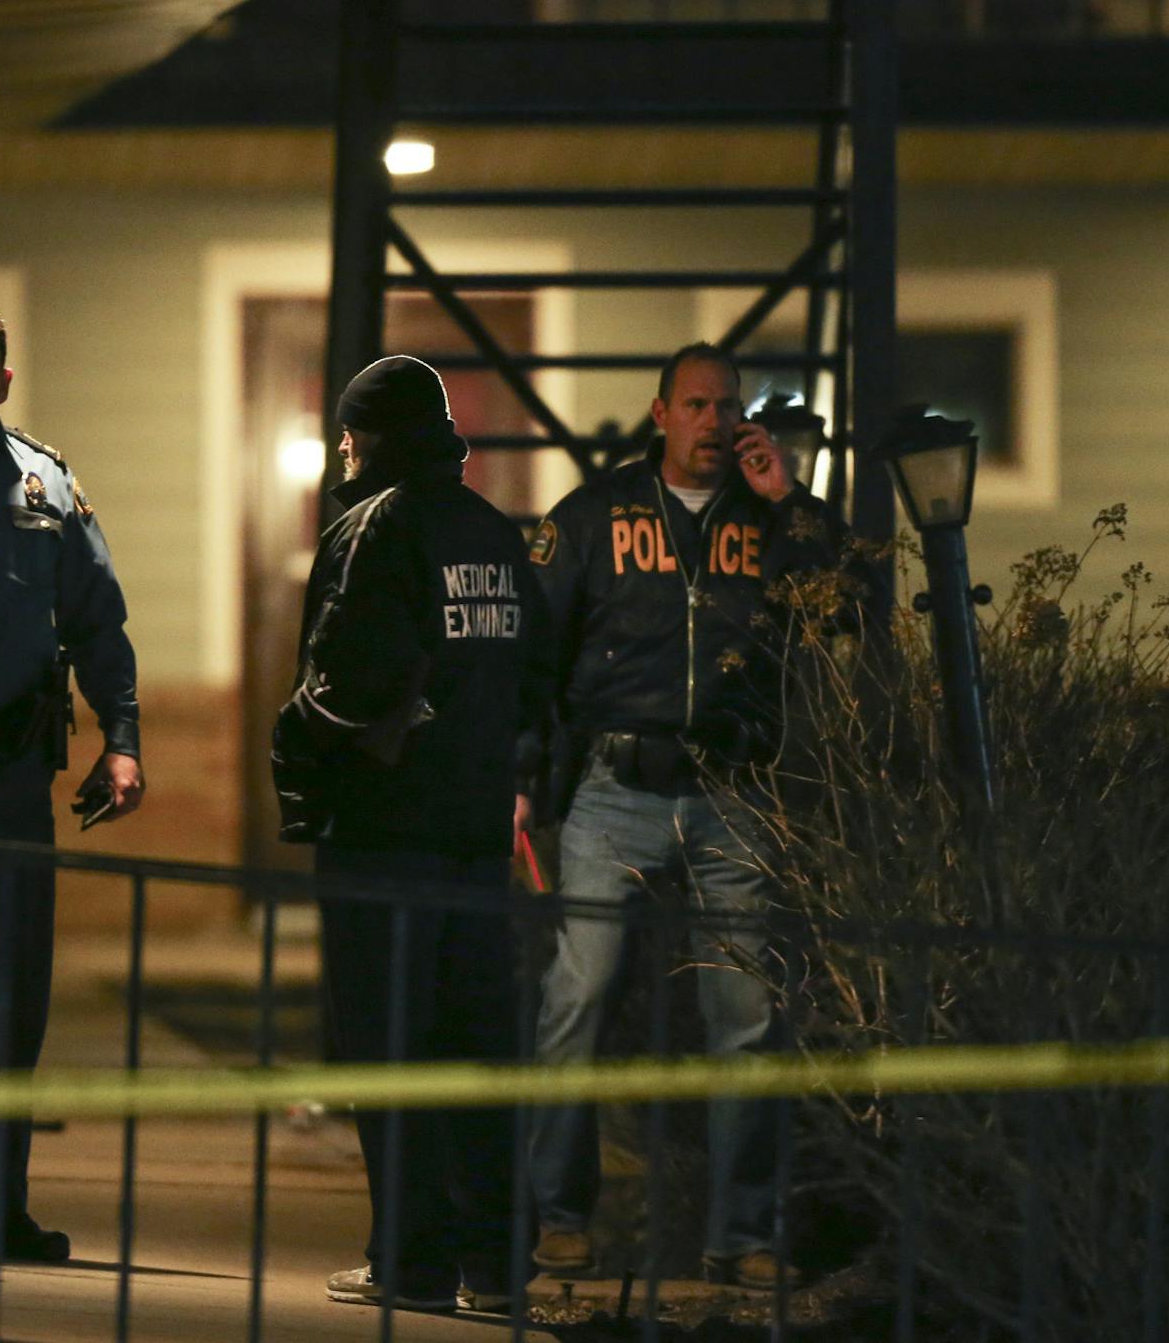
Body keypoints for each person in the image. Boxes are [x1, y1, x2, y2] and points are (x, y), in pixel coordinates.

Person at [517, 343, 850, 1290]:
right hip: (615, 791)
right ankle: (562, 1221)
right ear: (661, 413)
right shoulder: (592, 518)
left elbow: (850, 599)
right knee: (576, 998)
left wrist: (789, 498)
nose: (715, 420)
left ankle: (744, 1237)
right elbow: (537, 657)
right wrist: (524, 776)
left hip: (732, 792)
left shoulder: (769, 518)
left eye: (728, 406)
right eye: (697, 404)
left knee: (744, 1016)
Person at [273, 355, 552, 1315]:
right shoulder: (493, 533)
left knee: (388, 1045)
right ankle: (496, 1263)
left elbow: (347, 678)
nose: (341, 445)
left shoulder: (373, 526)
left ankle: (412, 1260)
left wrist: (300, 744)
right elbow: (536, 677)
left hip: (384, 830)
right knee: (474, 1042)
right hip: (473, 832)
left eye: (351, 429)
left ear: (376, 434)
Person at [0, 295, 144, 1263]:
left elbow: (97, 619)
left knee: (8, 1005)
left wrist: (121, 738)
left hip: (9, 782)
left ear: (3, 380)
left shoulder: (43, 483)